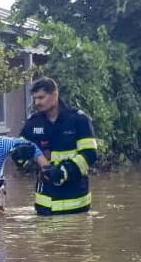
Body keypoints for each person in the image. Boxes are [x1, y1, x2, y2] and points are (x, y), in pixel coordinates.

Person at [18, 78, 98, 216]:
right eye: (35, 98)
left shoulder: (78, 120)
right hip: (44, 206)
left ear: (55, 94)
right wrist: (19, 155)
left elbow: (90, 154)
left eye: (41, 97)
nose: (37, 102)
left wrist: (64, 171)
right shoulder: (33, 122)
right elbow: (19, 160)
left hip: (75, 203)